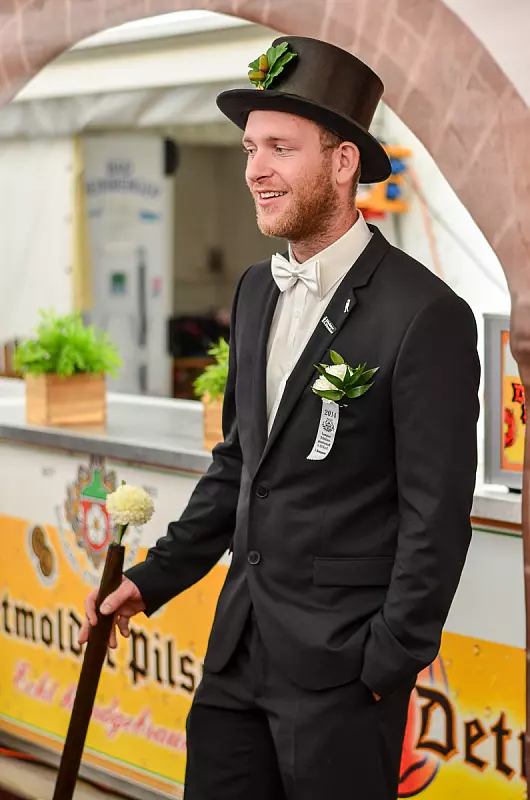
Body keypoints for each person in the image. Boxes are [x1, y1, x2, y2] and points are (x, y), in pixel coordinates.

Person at [79, 35, 480, 799]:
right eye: (249, 148)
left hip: (344, 675)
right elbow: (240, 462)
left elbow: (435, 516)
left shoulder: (426, 315)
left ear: (343, 162)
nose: (254, 170)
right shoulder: (255, 291)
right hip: (237, 655)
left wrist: (387, 661)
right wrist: (153, 578)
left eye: (280, 148)